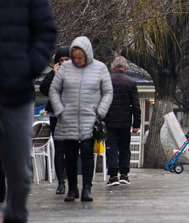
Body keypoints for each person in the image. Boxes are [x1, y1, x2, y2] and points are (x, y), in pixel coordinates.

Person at [0, 0, 57, 223]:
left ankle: (14, 222)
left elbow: (46, 31)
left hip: (16, 96)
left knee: (19, 171)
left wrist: (29, 66)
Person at [49, 37, 113, 203]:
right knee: (69, 156)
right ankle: (71, 188)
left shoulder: (100, 68)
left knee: (86, 153)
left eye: (80, 57)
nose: (76, 60)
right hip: (67, 119)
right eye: (74, 57)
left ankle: (86, 188)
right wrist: (60, 111)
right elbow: (54, 90)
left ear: (87, 55)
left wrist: (100, 112)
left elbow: (108, 92)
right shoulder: (64, 69)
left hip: (89, 119)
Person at [104, 56, 142, 187]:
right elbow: (136, 105)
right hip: (125, 121)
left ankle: (113, 176)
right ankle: (124, 175)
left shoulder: (106, 81)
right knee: (125, 148)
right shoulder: (131, 82)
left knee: (112, 148)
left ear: (113, 67)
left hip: (109, 121)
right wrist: (136, 123)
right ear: (126, 68)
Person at [38, 46, 70, 195]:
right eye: (61, 60)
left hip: (72, 115)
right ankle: (61, 182)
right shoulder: (53, 74)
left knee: (72, 149)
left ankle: (70, 178)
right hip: (55, 115)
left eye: (66, 59)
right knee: (59, 149)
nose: (64, 62)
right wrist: (56, 76)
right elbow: (44, 89)